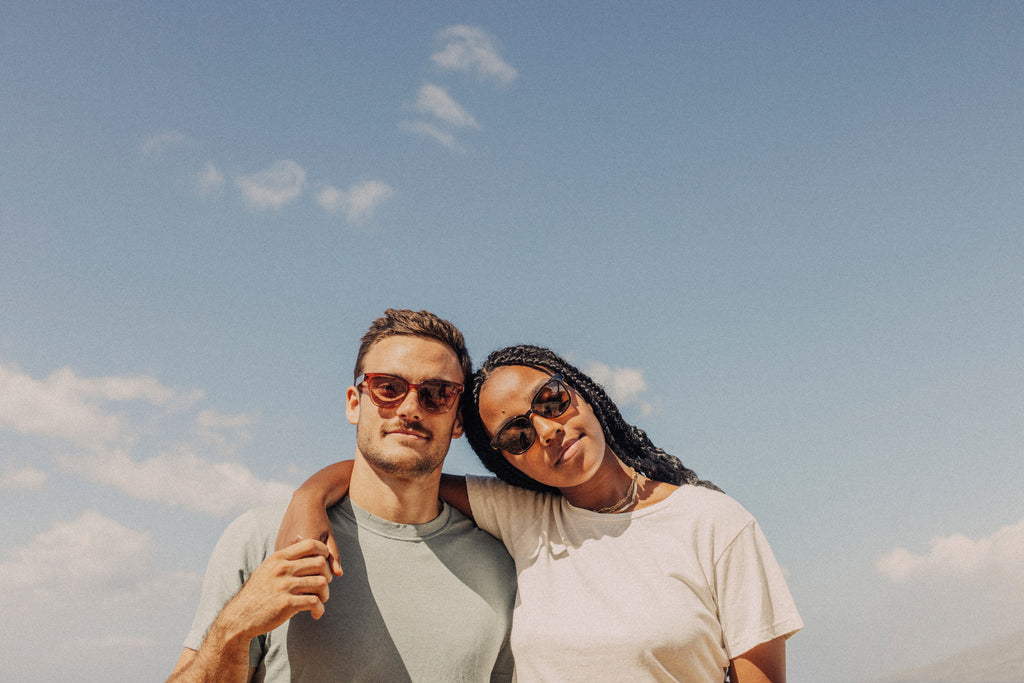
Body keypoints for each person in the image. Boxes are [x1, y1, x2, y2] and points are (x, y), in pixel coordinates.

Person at [280, 344, 803, 682]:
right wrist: (308, 501)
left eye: (552, 401)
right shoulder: (523, 516)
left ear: (582, 392)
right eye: (517, 434)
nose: (548, 431)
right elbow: (398, 469)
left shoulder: (714, 523)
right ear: (505, 461)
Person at [169, 309, 516, 682]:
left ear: (458, 420)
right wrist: (233, 629)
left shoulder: (501, 568)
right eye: (388, 387)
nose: (410, 408)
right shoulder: (264, 538)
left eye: (436, 394)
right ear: (355, 403)